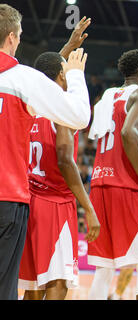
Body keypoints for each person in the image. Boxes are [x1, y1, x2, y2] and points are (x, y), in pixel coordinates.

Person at [0, 4, 91, 300]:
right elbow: (69, 143)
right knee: (48, 283)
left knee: (31, 286)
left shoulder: (29, 94)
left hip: (32, 197)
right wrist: (75, 73)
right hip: (36, 201)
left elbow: (43, 77)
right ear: (12, 37)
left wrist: (63, 53)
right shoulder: (30, 89)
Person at [19, 51, 101, 300]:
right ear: (62, 76)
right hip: (55, 203)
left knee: (33, 286)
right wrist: (88, 208)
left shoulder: (28, 106)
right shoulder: (61, 109)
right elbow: (65, 160)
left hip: (29, 202)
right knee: (58, 282)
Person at [87, 49, 138, 300]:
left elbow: (122, 132)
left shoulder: (107, 96)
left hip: (99, 185)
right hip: (127, 186)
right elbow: (128, 132)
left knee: (104, 266)